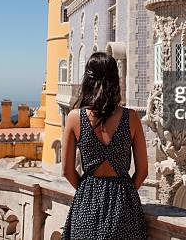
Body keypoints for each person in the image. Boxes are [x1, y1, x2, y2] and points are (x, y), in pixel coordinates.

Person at [61, 52, 148, 240]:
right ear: (115, 80)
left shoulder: (75, 118)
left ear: (88, 80)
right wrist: (125, 193)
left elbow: (67, 170)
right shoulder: (131, 118)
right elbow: (142, 172)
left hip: (87, 203)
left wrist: (88, 191)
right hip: (124, 206)